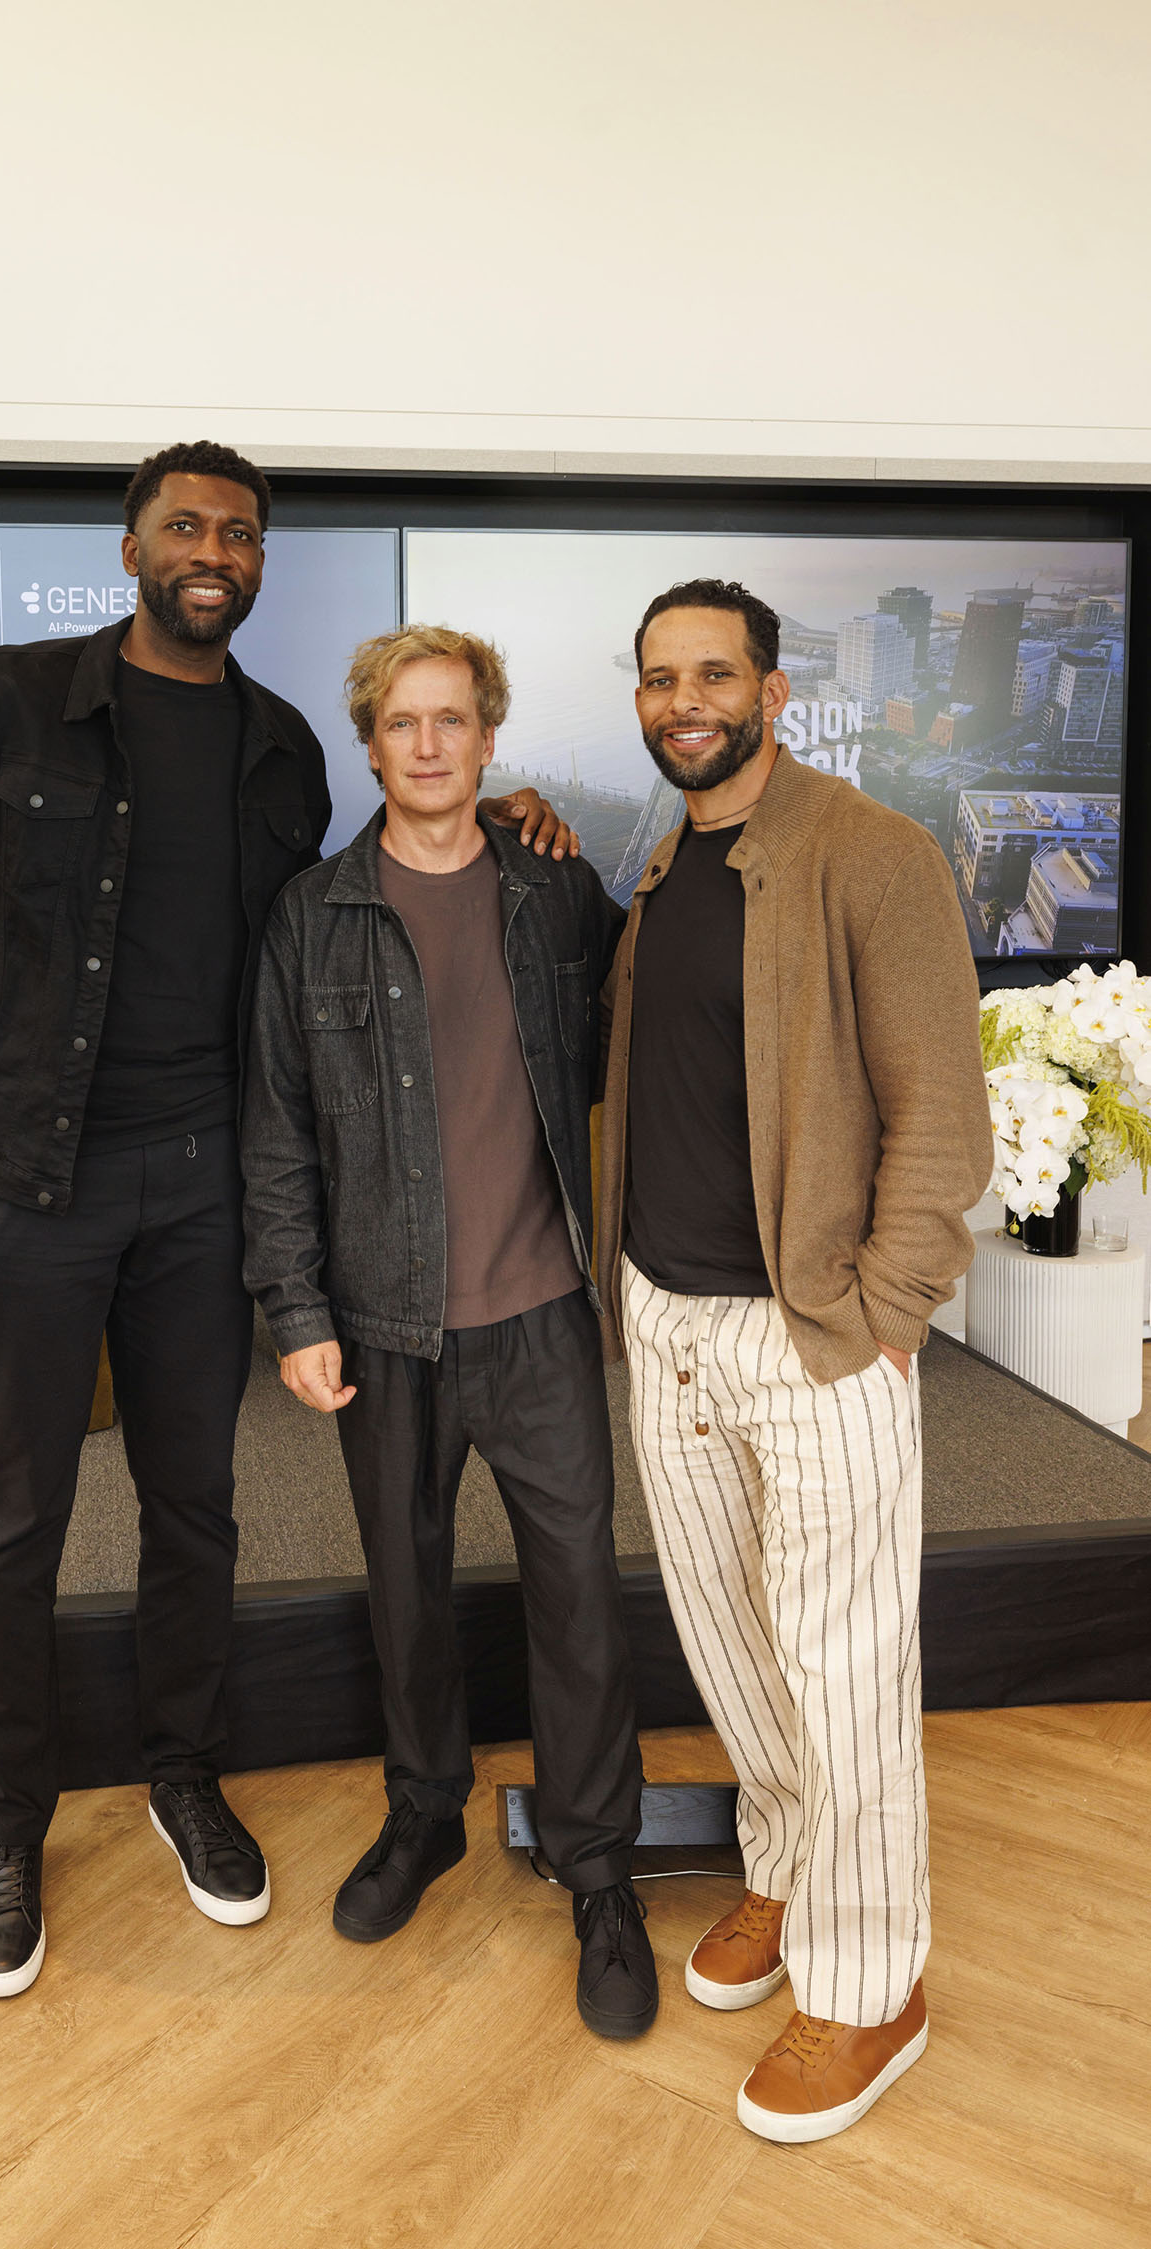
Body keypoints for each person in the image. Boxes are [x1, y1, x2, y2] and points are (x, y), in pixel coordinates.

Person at [0, 443, 574, 1999]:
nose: (212, 548)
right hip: (31, 1176)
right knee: (14, 1520)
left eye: (239, 531)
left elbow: (337, 938)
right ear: (131, 549)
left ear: (256, 561)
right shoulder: (8, 699)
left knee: (197, 1507)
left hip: (201, 1186)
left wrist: (485, 809)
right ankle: (10, 1825)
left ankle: (182, 1773)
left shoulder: (287, 751)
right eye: (186, 525)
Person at [597, 577, 992, 2136]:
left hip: (814, 1334)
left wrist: (887, 1312)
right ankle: (784, 1870)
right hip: (669, 1324)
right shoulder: (663, 861)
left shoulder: (872, 853)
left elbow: (940, 1117)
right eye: (658, 678)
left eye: (713, 674)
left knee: (845, 1668)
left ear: (770, 688)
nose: (684, 700)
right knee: (737, 1647)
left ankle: (868, 1976)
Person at [241, 625, 659, 2041]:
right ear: (371, 745)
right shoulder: (314, 915)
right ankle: (425, 1814)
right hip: (384, 1322)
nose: (428, 744)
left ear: (491, 744)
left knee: (580, 1607)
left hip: (542, 1313)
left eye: (454, 721)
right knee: (408, 1594)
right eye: (403, 723)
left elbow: (638, 1038)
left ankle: (602, 1872)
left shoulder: (557, 896)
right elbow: (279, 1130)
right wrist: (295, 1311)